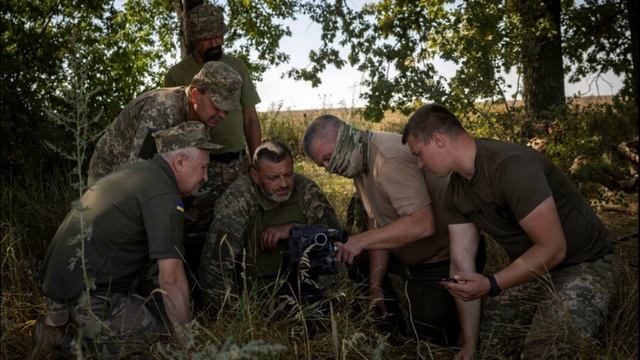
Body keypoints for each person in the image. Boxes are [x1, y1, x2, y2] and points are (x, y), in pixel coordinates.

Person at [402, 104, 618, 359]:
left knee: (546, 350)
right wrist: (471, 344)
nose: (419, 164)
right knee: (488, 344)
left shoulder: (511, 166)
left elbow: (553, 248)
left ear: (438, 140)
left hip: (585, 263)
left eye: (419, 154)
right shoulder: (455, 194)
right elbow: (462, 266)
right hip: (533, 272)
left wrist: (492, 283)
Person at [29, 122, 218, 358]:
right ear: (180, 162)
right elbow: (171, 279)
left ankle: (57, 329)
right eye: (203, 168)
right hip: (87, 298)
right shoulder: (163, 195)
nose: (206, 177)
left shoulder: (137, 173)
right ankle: (68, 345)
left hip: (59, 289)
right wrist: (189, 346)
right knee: (164, 343)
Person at [302, 115, 464, 346]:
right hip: (407, 253)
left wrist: (361, 240)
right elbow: (377, 223)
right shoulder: (357, 159)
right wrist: (375, 286)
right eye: (322, 165)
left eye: (329, 158)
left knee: (430, 341)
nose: (330, 169)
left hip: (440, 259)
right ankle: (388, 322)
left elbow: (423, 224)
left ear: (343, 137)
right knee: (356, 257)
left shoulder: (386, 159)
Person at [199, 141, 340, 312]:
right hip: (251, 304)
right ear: (255, 175)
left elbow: (335, 243)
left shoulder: (306, 189)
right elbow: (216, 266)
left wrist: (294, 229)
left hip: (304, 299)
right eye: (273, 177)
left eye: (288, 175)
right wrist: (228, 317)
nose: (283, 184)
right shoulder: (238, 199)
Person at [165, 3, 262, 203]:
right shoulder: (177, 75)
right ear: (194, 39)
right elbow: (175, 128)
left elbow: (250, 118)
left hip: (238, 165)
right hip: (199, 168)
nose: (216, 42)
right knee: (197, 230)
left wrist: (257, 162)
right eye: (208, 38)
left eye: (219, 36)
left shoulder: (237, 66)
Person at [88, 60, 242, 184]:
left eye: (227, 110)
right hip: (110, 177)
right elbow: (139, 172)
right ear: (195, 95)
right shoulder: (161, 109)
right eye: (217, 106)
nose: (222, 114)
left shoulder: (204, 114)